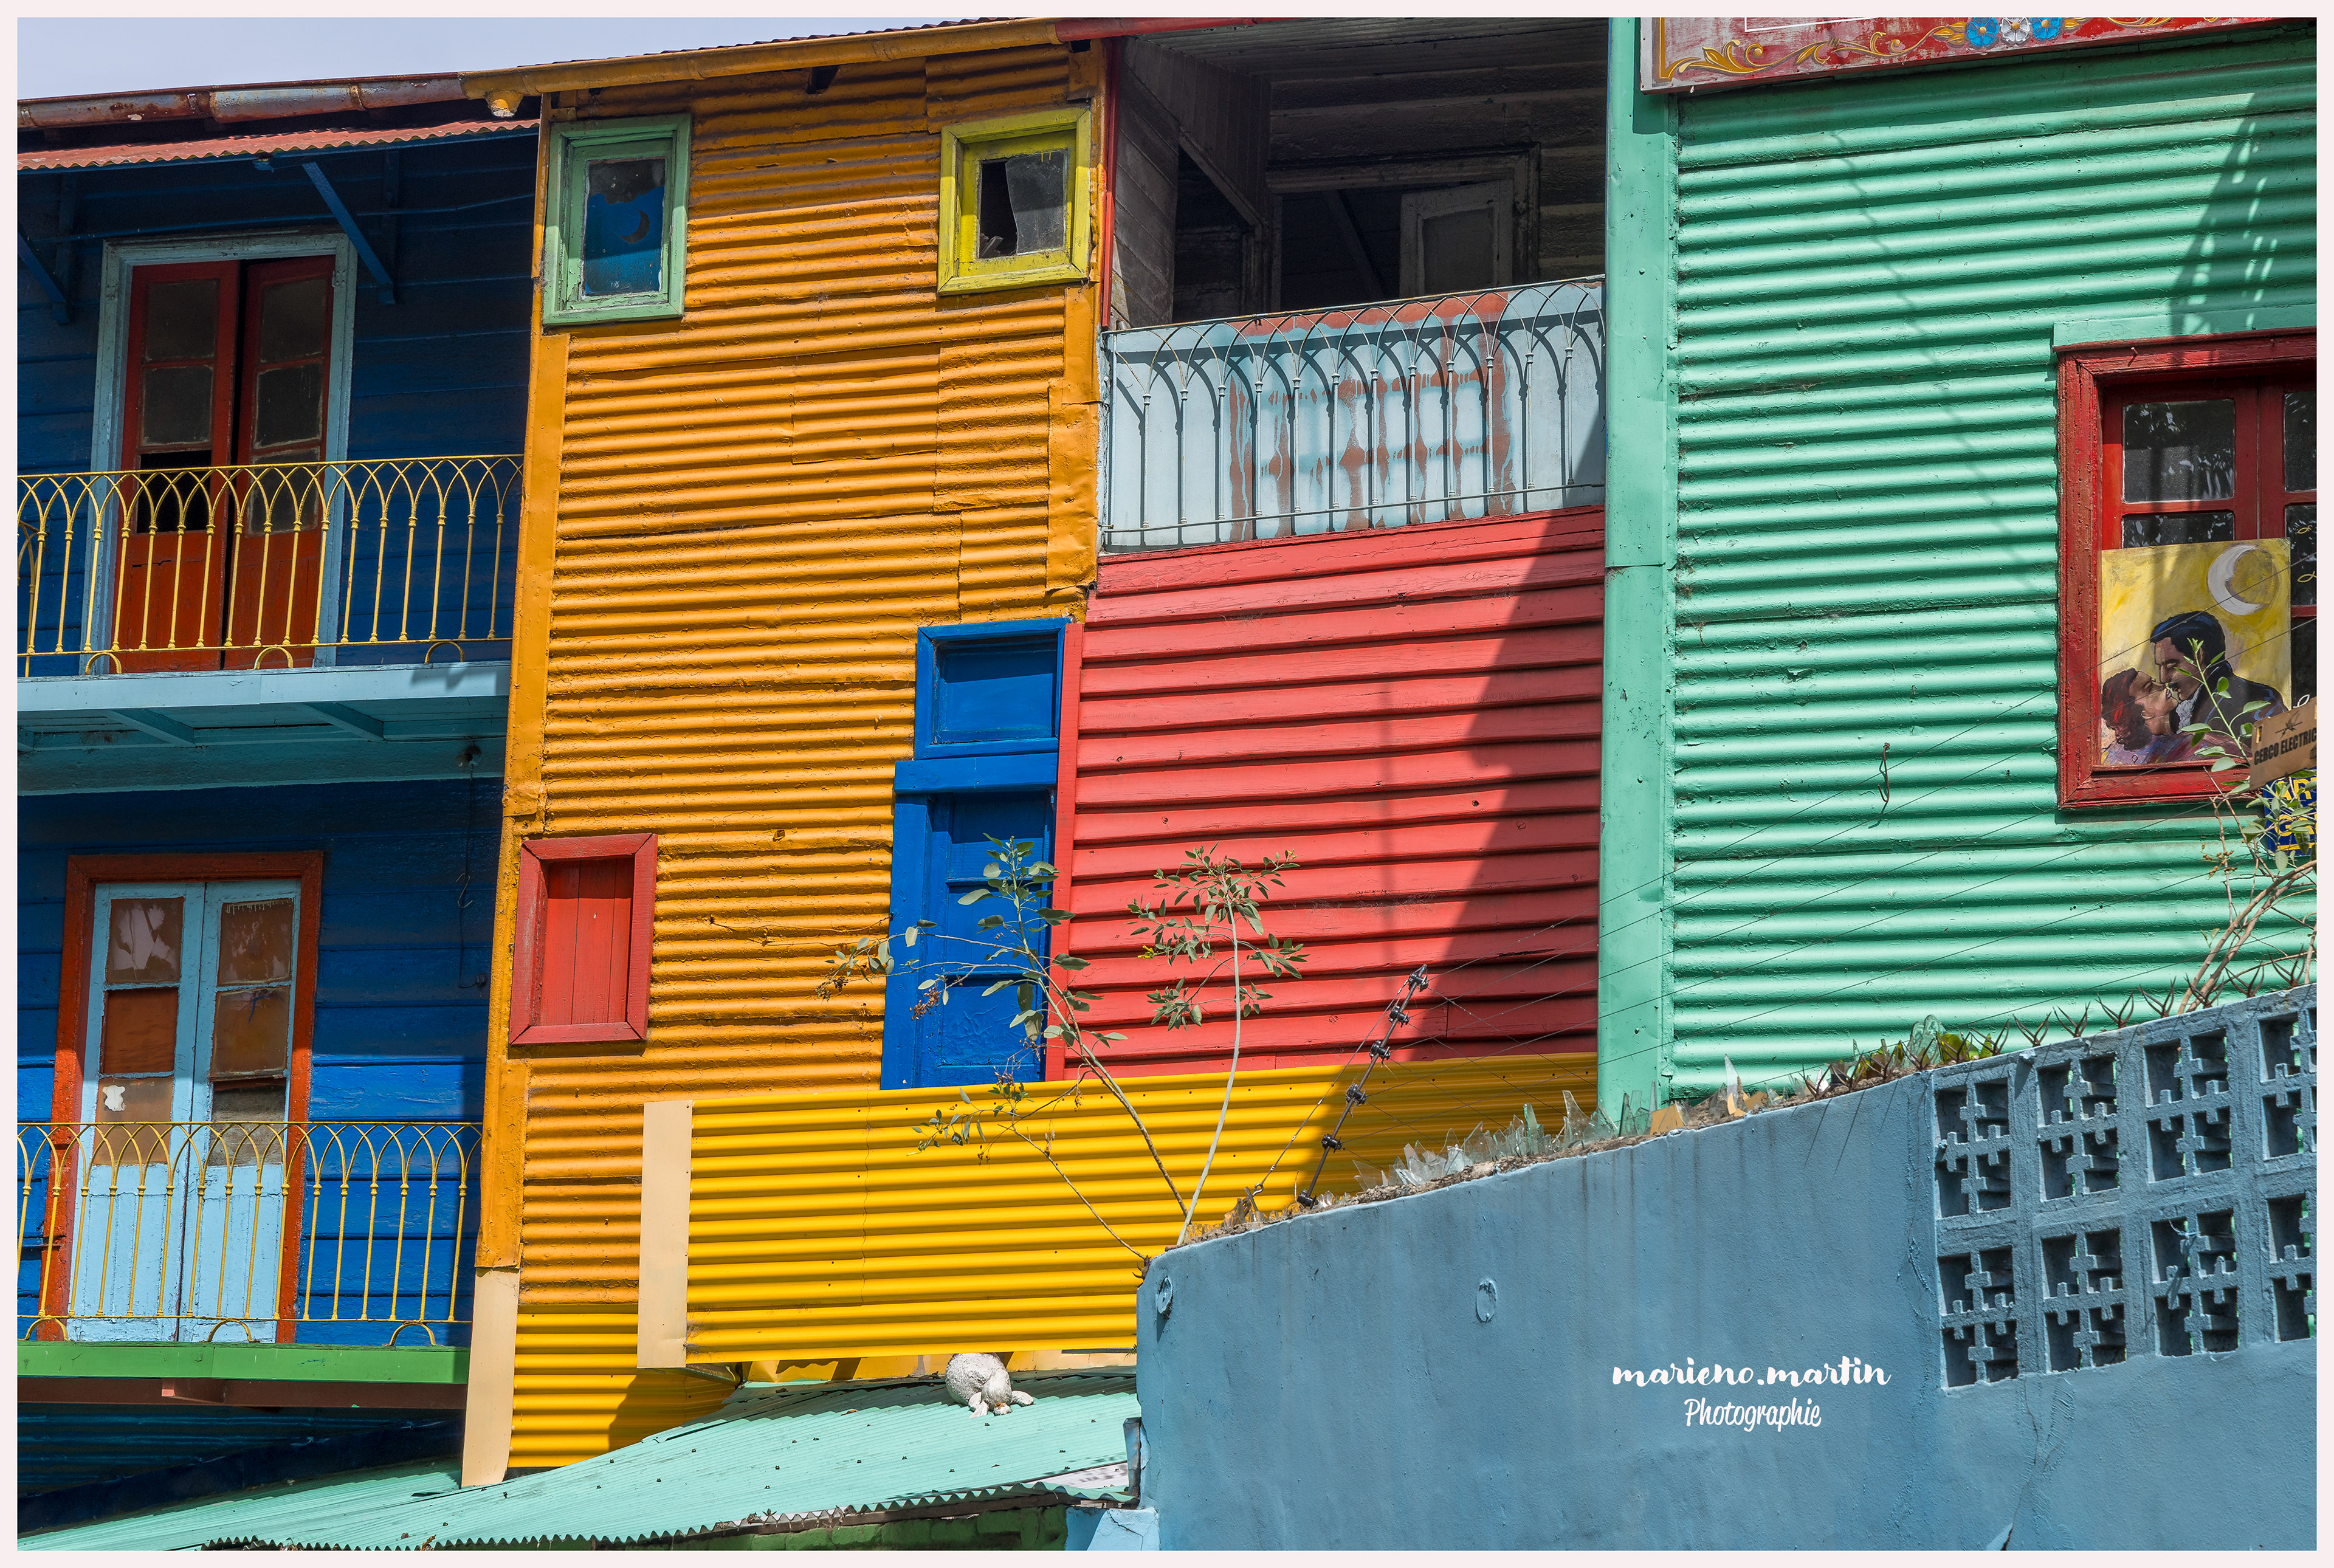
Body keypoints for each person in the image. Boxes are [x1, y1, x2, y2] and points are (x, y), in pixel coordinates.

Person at [2149, 609, 2287, 755]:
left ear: (2199, 655)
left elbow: (2276, 761)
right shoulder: (2179, 713)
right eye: (2161, 667)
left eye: (2171, 666)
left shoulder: (2261, 699)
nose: (2164, 679)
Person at [2100, 667, 2195, 765]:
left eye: (2154, 682)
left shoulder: (2111, 755)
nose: (2162, 685)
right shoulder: (2189, 746)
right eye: (2150, 688)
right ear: (2143, 713)